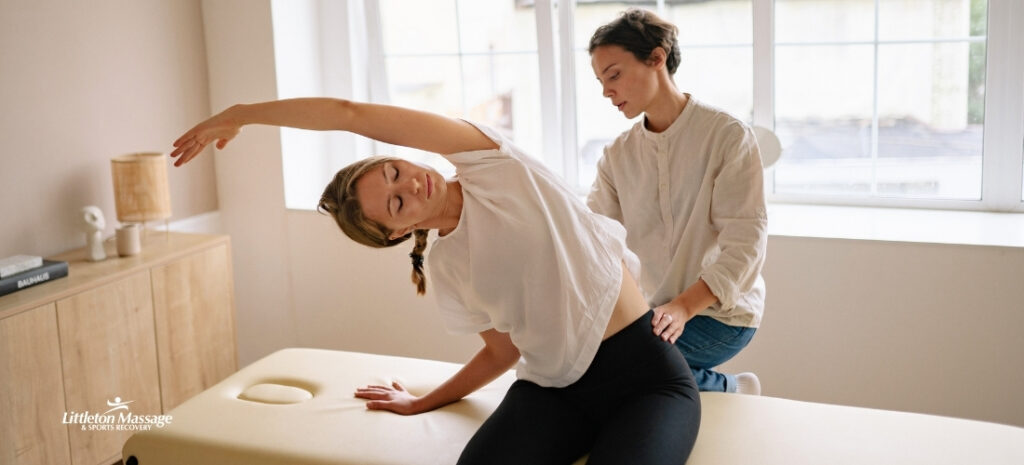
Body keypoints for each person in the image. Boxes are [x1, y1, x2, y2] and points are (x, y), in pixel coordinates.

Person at [170, 98, 700, 465]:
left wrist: (243, 115)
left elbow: (349, 114)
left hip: (644, 380)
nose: (411, 186)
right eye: (396, 204)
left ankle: (717, 383)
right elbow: (500, 353)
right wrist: (422, 401)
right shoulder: (447, 265)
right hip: (554, 392)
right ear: (397, 233)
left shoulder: (494, 165)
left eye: (395, 172)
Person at [587, 8, 768, 394]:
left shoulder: (727, 136)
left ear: (656, 58)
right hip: (651, 314)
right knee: (580, 358)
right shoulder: (617, 156)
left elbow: (746, 245)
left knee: (615, 367)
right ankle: (719, 387)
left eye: (614, 75)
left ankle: (731, 388)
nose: (606, 91)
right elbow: (596, 240)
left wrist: (683, 307)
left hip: (720, 315)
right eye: (601, 82)